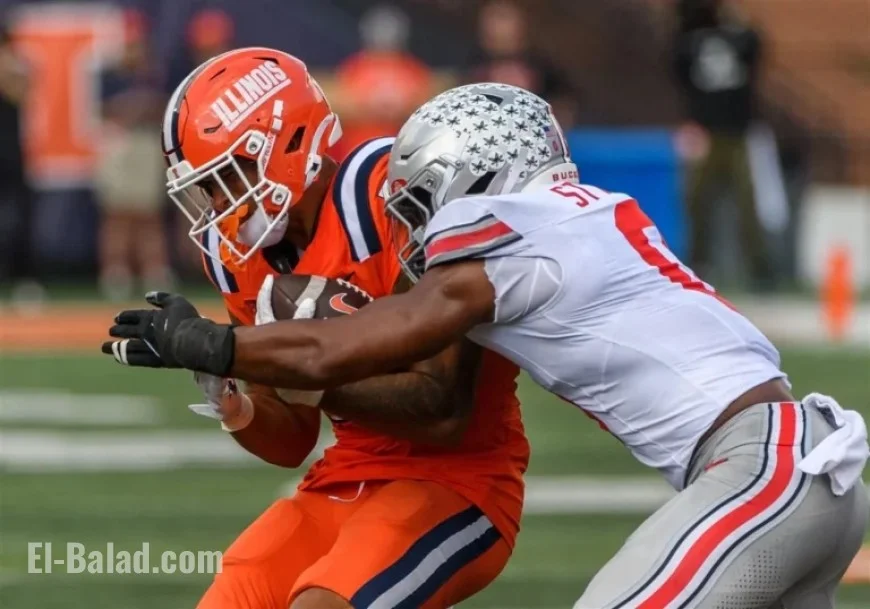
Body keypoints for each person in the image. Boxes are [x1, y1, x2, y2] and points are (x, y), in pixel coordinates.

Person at [105, 82, 869, 608]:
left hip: (763, 469)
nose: (417, 221)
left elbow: (348, 354)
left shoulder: (507, 232)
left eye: (421, 194)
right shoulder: (580, 211)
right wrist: (239, 378)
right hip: (794, 464)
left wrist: (217, 343)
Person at [115, 49, 528, 609]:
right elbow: (292, 441)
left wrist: (284, 366)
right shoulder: (240, 255)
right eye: (207, 188)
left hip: (458, 482)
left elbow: (444, 410)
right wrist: (234, 396)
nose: (217, 204)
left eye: (226, 178)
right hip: (343, 478)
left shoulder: (394, 195)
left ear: (284, 145)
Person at [673, 0, 771, 286]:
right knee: (697, 201)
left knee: (746, 202)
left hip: (737, 132)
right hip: (704, 132)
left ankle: (759, 270)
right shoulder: (689, 40)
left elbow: (756, 51)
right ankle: (698, 263)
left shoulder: (739, 37)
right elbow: (681, 77)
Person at [94, 9, 171, 300]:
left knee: (149, 214)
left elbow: (163, 109)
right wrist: (135, 106)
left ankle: (155, 271)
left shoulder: (154, 72)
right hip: (119, 144)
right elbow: (106, 112)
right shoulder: (110, 73)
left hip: (146, 144)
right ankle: (116, 272)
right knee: (117, 215)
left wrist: (136, 106)